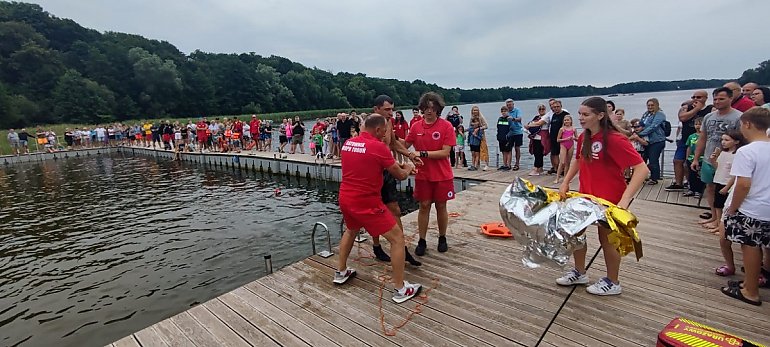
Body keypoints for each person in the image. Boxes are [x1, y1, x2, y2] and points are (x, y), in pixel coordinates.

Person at [556, 96, 649, 296]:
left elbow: (642, 169)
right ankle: (579, 272)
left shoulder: (615, 139)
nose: (580, 118)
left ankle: (612, 281)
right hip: (586, 196)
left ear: (600, 115)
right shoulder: (584, 137)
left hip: (610, 199)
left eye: (585, 114)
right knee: (575, 232)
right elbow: (578, 161)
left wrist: (624, 200)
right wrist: (565, 182)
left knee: (607, 240)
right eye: (579, 114)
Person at [335, 114, 422, 303]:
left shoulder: (348, 144)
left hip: (346, 198)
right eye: (384, 132)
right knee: (397, 239)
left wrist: (401, 165)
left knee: (351, 230)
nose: (385, 136)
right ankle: (400, 289)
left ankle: (341, 272)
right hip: (367, 202)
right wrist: (407, 167)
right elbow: (399, 175)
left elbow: (375, 162)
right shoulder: (378, 146)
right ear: (377, 129)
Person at [721, 107, 770, 306]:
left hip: (752, 208)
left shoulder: (746, 151)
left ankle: (750, 289)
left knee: (750, 246)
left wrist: (733, 208)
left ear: (748, 124)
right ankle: (760, 277)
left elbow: (743, 184)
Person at [370, 95, 422, 266]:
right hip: (373, 172)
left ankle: (402, 247)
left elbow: (393, 143)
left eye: (392, 109)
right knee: (374, 210)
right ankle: (377, 246)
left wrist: (410, 154)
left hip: (387, 170)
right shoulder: (369, 125)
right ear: (376, 109)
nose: (391, 113)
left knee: (395, 209)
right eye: (387, 109)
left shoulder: (388, 122)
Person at [405, 92, 456, 256]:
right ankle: (422, 240)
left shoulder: (446, 126)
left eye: (433, 108)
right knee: (424, 206)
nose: (429, 111)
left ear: (438, 109)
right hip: (423, 175)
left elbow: (445, 152)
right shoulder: (416, 126)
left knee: (441, 206)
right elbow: (404, 145)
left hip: (442, 174)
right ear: (422, 109)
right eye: (426, 108)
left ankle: (442, 237)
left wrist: (422, 154)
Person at [691, 87, 742, 230]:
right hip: (709, 157)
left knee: (724, 189)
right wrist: (696, 158)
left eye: (721, 99)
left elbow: (742, 140)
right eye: (715, 99)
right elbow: (702, 138)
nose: (717, 102)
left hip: (728, 159)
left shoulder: (738, 117)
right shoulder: (708, 117)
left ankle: (723, 222)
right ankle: (714, 217)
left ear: (730, 99)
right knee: (710, 188)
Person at [667, 90, 713, 191]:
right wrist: (696, 109)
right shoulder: (686, 108)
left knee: (699, 163)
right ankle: (679, 183)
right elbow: (682, 118)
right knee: (678, 161)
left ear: (705, 98)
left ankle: (696, 185)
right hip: (686, 140)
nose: (695, 99)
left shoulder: (710, 109)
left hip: (703, 140)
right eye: (694, 97)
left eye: (699, 97)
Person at [631, 98, 666, 185]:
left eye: (652, 105)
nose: (650, 107)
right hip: (647, 140)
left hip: (657, 140)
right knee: (644, 158)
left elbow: (653, 127)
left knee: (653, 159)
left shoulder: (660, 114)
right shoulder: (646, 114)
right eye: (648, 105)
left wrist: (640, 134)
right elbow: (641, 124)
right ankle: (647, 176)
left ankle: (654, 178)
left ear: (656, 105)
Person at [683, 117, 705, 199]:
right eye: (696, 124)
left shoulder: (705, 137)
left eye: (700, 124)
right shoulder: (691, 136)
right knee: (691, 175)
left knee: (699, 176)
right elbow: (688, 147)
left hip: (701, 159)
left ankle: (699, 191)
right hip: (691, 158)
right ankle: (691, 189)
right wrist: (687, 158)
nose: (698, 126)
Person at [525, 104, 548, 176]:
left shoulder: (546, 117)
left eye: (543, 109)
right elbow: (532, 123)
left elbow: (538, 124)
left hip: (542, 137)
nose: (541, 110)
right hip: (535, 137)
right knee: (536, 152)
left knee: (539, 153)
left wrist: (529, 126)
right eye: (540, 109)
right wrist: (528, 126)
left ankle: (536, 168)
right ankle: (540, 168)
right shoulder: (536, 117)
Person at [554, 115, 577, 184]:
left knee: (568, 163)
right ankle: (557, 178)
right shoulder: (562, 129)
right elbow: (558, 140)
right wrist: (565, 139)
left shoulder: (574, 129)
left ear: (571, 121)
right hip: (563, 145)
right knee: (562, 162)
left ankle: (566, 178)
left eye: (568, 120)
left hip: (571, 145)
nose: (566, 121)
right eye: (565, 120)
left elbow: (577, 138)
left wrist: (574, 138)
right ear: (563, 121)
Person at [506, 99, 524, 171]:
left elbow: (519, 119)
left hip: (518, 132)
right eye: (508, 105)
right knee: (509, 148)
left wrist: (513, 119)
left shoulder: (517, 110)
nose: (509, 106)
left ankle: (517, 164)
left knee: (517, 148)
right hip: (510, 133)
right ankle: (508, 164)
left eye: (510, 105)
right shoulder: (506, 112)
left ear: (513, 105)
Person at [467, 106, 485, 171]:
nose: (475, 123)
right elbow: (468, 134)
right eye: (473, 122)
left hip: (477, 143)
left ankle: (476, 165)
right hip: (472, 142)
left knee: (477, 154)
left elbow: (480, 137)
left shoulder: (479, 130)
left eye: (476, 122)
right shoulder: (471, 129)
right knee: (473, 154)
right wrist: (468, 141)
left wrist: (475, 135)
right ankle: (472, 165)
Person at [496, 105, 513, 171]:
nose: (503, 112)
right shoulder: (499, 119)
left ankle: (508, 165)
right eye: (502, 111)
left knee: (508, 151)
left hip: (508, 138)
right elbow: (498, 128)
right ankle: (504, 164)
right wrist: (498, 136)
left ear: (508, 111)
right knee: (503, 151)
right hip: (501, 138)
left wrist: (508, 136)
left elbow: (512, 128)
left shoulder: (509, 119)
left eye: (505, 111)